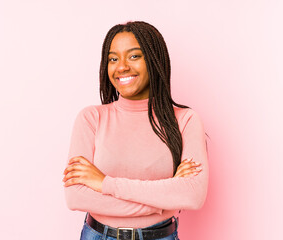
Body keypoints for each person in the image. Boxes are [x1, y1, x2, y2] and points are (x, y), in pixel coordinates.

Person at [62, 21, 209, 240]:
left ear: (153, 59)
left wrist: (104, 183)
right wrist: (162, 202)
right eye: (113, 59)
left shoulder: (185, 120)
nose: (121, 67)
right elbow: (76, 197)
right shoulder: (91, 118)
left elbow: (192, 196)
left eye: (133, 56)